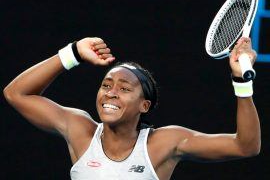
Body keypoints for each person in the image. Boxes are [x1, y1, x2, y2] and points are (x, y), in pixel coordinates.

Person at [3, 37, 260, 180]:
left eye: (125, 89)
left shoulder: (164, 143)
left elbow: (245, 146)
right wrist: (72, 54)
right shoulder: (80, 130)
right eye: (106, 85)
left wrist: (241, 83)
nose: (111, 93)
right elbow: (15, 93)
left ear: (144, 105)